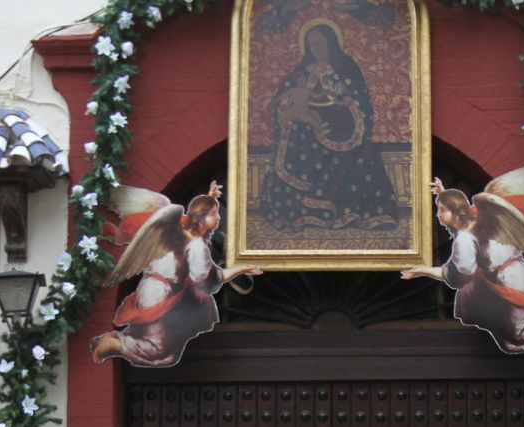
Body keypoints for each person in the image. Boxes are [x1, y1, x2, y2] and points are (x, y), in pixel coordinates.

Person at [399, 178, 524, 354]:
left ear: (456, 212)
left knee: (518, 339)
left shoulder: (464, 238)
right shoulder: (479, 216)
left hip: (510, 281)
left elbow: (461, 274)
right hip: (515, 273)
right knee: (508, 339)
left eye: (442, 210)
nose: (438, 214)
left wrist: (423, 271)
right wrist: (444, 193)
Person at [91, 182, 262, 369]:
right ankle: (114, 343)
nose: (219, 217)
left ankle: (118, 340)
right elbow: (207, 280)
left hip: (154, 289)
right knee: (161, 353)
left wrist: (209, 198)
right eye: (214, 213)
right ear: (202, 217)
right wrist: (240, 269)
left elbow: (193, 224)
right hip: (160, 294)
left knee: (165, 349)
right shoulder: (196, 246)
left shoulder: (177, 224)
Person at [260, 21, 399, 231]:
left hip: (344, 129)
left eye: (321, 42)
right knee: (302, 138)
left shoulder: (347, 68)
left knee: (365, 154)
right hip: (308, 134)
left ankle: (352, 212)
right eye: (312, 44)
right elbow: (282, 101)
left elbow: (362, 101)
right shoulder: (302, 72)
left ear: (332, 43)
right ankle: (308, 210)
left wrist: (345, 95)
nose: (317, 48)